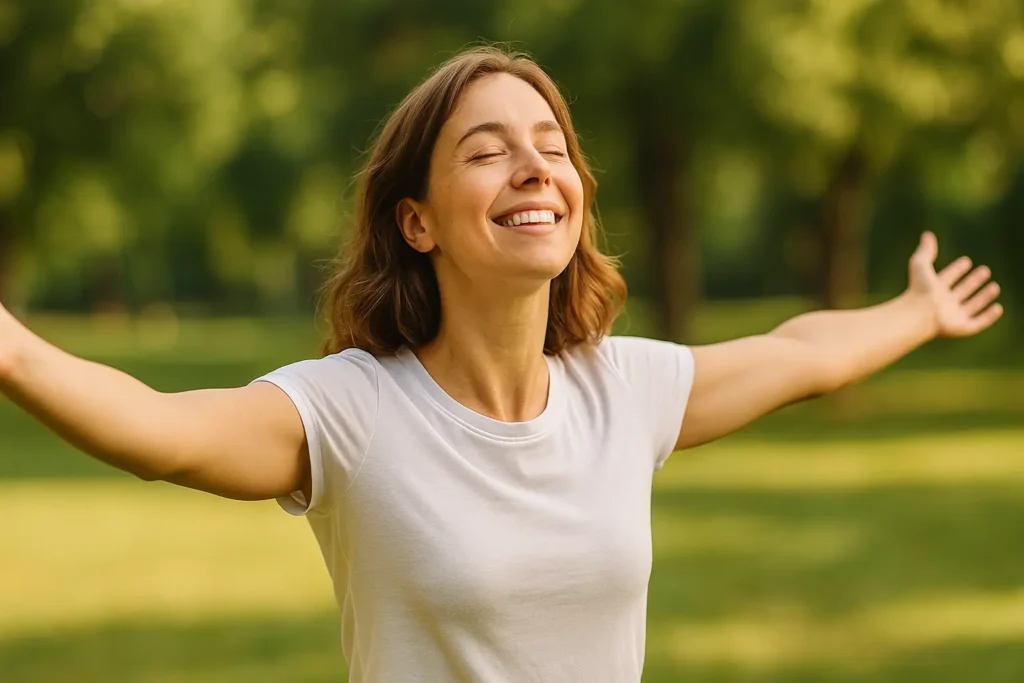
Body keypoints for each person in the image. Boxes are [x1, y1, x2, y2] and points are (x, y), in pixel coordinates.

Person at [0, 45, 1004, 683]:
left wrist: (912, 310)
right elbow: (157, 430)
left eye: (551, 146)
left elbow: (799, 354)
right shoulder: (352, 412)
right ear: (417, 219)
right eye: (487, 151)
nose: (534, 166)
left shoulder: (622, 390)